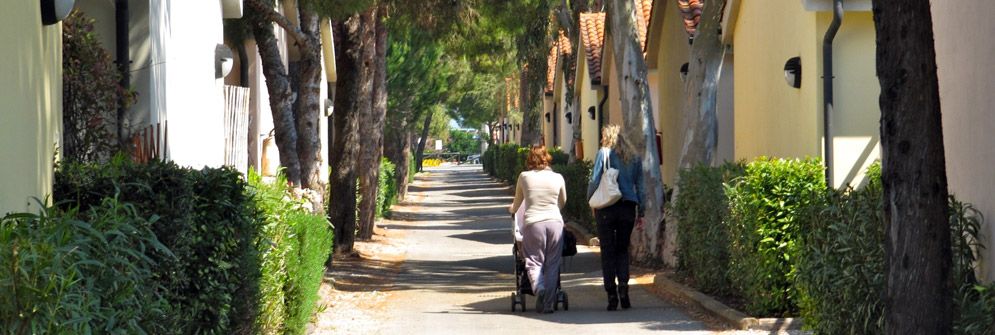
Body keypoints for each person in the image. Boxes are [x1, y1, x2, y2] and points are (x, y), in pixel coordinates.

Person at [586, 124, 645, 311]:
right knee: (622, 249)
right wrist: (641, 209)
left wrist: (590, 200)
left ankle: (611, 294)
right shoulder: (635, 158)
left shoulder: (603, 154)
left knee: (608, 251)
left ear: (606, 137)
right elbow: (641, 187)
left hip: (606, 208)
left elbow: (594, 180)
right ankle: (624, 290)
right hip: (627, 207)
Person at [509, 144, 567, 314]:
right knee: (552, 263)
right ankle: (548, 304)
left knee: (534, 261)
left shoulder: (524, 177)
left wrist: (511, 210)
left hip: (534, 223)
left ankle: (539, 288)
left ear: (530, 159)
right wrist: (554, 210)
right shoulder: (558, 177)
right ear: (546, 158)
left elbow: (517, 203)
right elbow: (562, 201)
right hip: (555, 222)